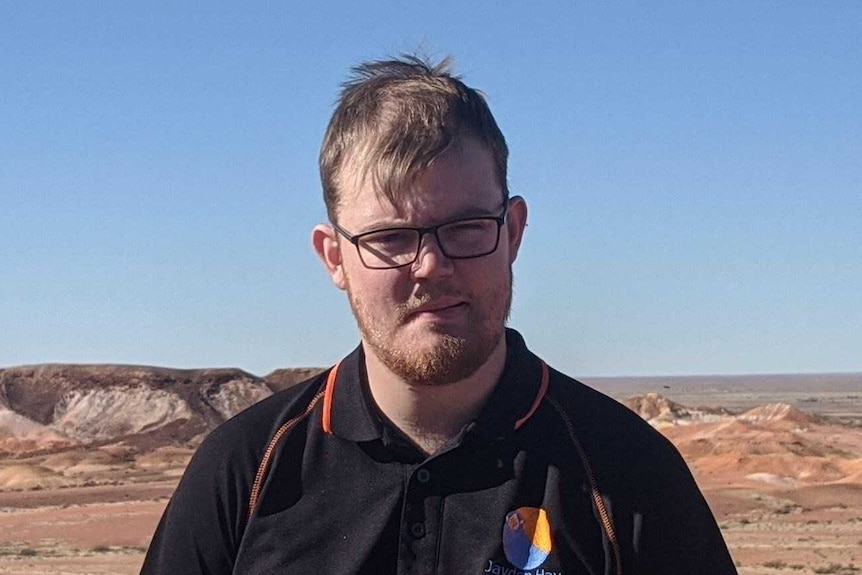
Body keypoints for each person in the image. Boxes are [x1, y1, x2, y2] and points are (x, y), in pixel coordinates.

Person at [141, 54, 737, 575]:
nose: (431, 265)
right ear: (334, 257)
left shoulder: (628, 472)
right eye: (391, 238)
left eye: (466, 227)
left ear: (514, 231)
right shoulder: (244, 472)